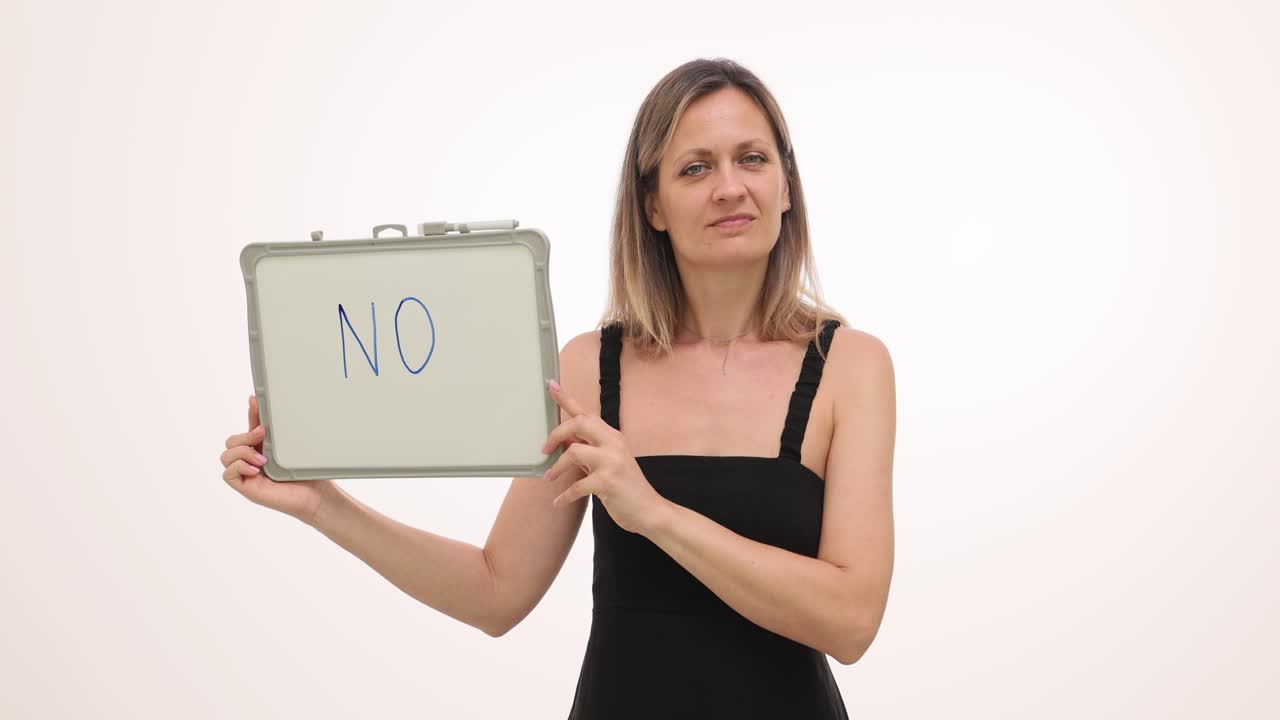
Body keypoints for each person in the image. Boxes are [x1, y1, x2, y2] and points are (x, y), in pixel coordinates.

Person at [220, 57, 896, 719]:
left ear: (786, 187)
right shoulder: (588, 370)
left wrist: (653, 513)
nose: (729, 187)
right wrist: (325, 506)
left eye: (752, 159)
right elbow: (496, 593)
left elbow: (851, 622)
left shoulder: (849, 367)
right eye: (695, 168)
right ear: (653, 205)